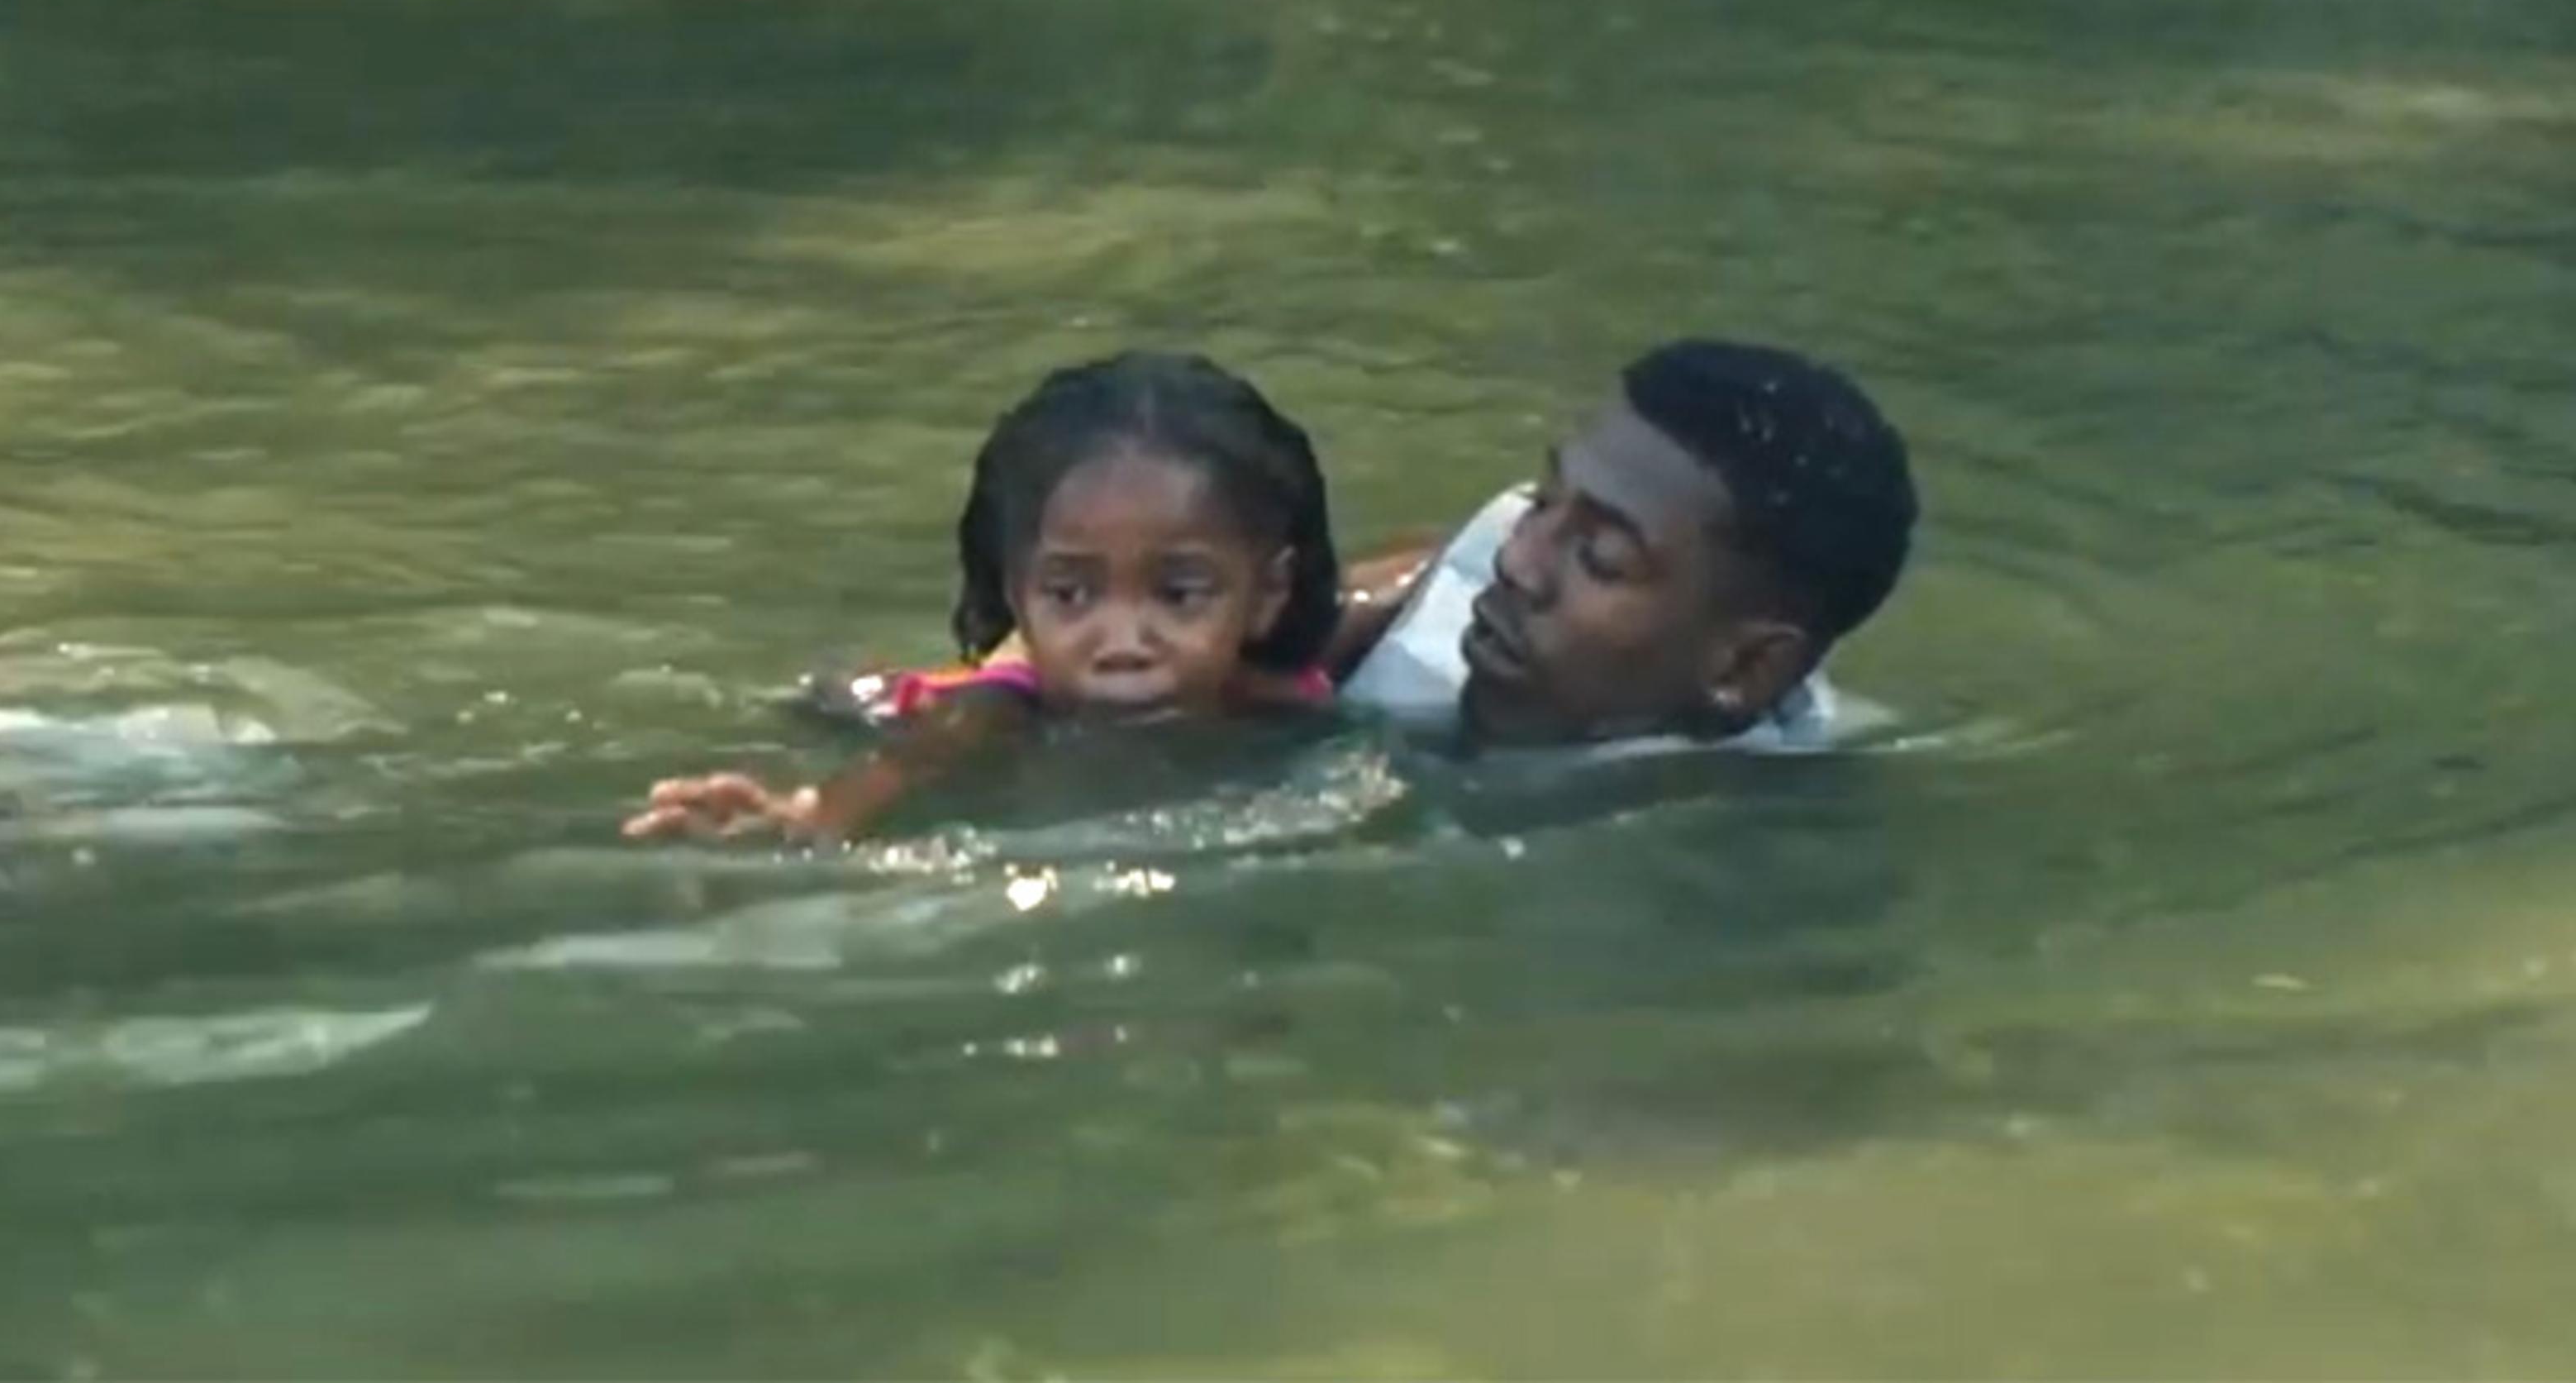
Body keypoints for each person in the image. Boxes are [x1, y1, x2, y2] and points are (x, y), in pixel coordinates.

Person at [625, 351, 1342, 841]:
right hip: (931, 702)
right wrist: (804, 816)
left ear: (1266, 592)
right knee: (867, 699)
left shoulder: (1281, 684)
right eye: (1070, 594)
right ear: (1016, 592)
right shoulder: (995, 716)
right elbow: (911, 763)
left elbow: (1390, 585)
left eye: (1179, 595)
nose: (1123, 641)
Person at [1330, 337, 1917, 754]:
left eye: (1600, 558)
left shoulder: (1741, 861)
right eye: (1541, 502)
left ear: (1745, 667)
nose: (1514, 562)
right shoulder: (1448, 598)